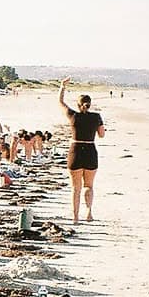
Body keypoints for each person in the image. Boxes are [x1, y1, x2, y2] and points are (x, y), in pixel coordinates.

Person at [59, 78, 105, 223]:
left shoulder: (73, 116)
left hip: (75, 151)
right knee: (89, 186)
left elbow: (61, 102)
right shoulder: (96, 117)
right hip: (90, 150)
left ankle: (75, 217)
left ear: (78, 105)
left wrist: (62, 86)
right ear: (89, 104)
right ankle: (89, 213)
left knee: (76, 188)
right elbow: (102, 135)